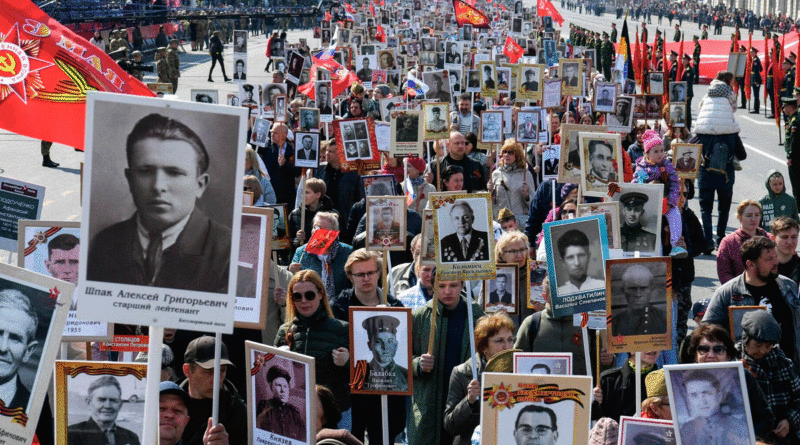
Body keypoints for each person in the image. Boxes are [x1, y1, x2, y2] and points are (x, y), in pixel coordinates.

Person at [86, 114, 232, 292]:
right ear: (130, 180)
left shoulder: (227, 251)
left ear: (200, 185)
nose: (158, 186)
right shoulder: (104, 244)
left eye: (174, 173)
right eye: (146, 171)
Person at [704, 236, 800, 368]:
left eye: (775, 257)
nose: (776, 262)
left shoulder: (788, 286)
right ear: (750, 264)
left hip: (785, 369)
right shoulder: (727, 293)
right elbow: (707, 332)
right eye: (769, 259)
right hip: (746, 370)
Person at [410, 279, 484, 445]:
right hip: (429, 401)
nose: (447, 291)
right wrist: (418, 364)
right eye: (441, 286)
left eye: (453, 285)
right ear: (433, 286)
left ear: (462, 285)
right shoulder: (420, 317)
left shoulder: (477, 317)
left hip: (465, 398)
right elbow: (401, 359)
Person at [275, 271, 351, 429]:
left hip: (334, 415)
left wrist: (347, 362)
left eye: (309, 295)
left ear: (321, 294)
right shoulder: (285, 331)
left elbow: (363, 376)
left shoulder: (341, 329)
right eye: (297, 296)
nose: (303, 301)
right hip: (294, 413)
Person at [693, 71, 744, 254]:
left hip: (706, 173)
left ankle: (708, 242)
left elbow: (690, 147)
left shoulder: (702, 130)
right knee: (723, 209)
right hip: (726, 175)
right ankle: (721, 239)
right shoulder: (731, 130)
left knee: (705, 209)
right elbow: (742, 155)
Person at [444, 313, 515, 445]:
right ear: (484, 346)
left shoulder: (519, 370)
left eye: (510, 339)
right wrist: (469, 401)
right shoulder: (462, 373)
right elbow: (450, 425)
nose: (507, 346)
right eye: (499, 341)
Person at [737, 310, 800, 443]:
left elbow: (798, 401)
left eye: (768, 346)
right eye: (758, 345)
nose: (763, 351)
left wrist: (789, 420)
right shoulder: (733, 365)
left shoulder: (784, 365)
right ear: (745, 339)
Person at [179, 336, 244, 445]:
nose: (216, 379)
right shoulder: (166, 404)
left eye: (222, 371)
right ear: (187, 370)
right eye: (208, 372)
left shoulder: (236, 410)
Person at [634, 130, 687, 257]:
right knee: (652, 230)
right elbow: (637, 185)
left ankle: (676, 245)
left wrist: (670, 202)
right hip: (648, 205)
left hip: (665, 201)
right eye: (655, 151)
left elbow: (675, 183)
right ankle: (654, 253)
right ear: (647, 153)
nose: (660, 154)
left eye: (662, 150)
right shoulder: (642, 167)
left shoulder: (668, 165)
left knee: (675, 214)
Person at [678, 369, 751, 444]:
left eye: (707, 393)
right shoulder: (686, 428)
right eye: (694, 395)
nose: (702, 401)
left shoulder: (739, 426)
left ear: (719, 396)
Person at [67, 376, 140, 445]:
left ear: (120, 404)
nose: (108, 406)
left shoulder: (131, 438)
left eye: (113, 400)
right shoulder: (70, 434)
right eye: (101, 400)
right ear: (89, 403)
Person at [592, 350, 660, 422]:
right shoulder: (608, 380)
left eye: (655, 342)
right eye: (645, 342)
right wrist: (594, 403)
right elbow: (595, 419)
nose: (652, 348)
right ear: (631, 350)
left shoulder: (664, 380)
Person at [716, 200, 768, 284]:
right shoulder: (728, 242)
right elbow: (724, 273)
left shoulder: (769, 238)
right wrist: (737, 292)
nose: (754, 219)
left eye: (757, 215)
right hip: (739, 292)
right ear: (739, 217)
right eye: (749, 215)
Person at [488, 140, 536, 229]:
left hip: (519, 224)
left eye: (510, 152)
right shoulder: (496, 173)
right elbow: (491, 203)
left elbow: (534, 204)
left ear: (517, 155)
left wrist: (526, 195)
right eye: (504, 152)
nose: (506, 155)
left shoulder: (526, 174)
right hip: (501, 223)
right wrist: (489, 192)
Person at [610, 265, 668, 336]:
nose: (638, 294)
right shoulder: (614, 325)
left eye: (643, 288)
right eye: (632, 288)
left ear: (651, 289)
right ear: (623, 290)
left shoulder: (665, 319)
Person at [256, 366, 306, 441]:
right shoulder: (264, 407)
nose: (283, 390)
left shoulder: (295, 413)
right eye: (278, 385)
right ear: (271, 387)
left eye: (285, 386)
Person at [361, 315, 408, 391]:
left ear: (396, 344)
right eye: (378, 342)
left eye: (390, 341)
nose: (385, 347)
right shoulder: (360, 375)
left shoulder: (406, 375)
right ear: (370, 345)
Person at [556, 229, 604, 294]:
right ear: (563, 262)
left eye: (581, 255)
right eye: (570, 257)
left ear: (588, 257)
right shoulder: (559, 293)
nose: (577, 263)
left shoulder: (603, 286)